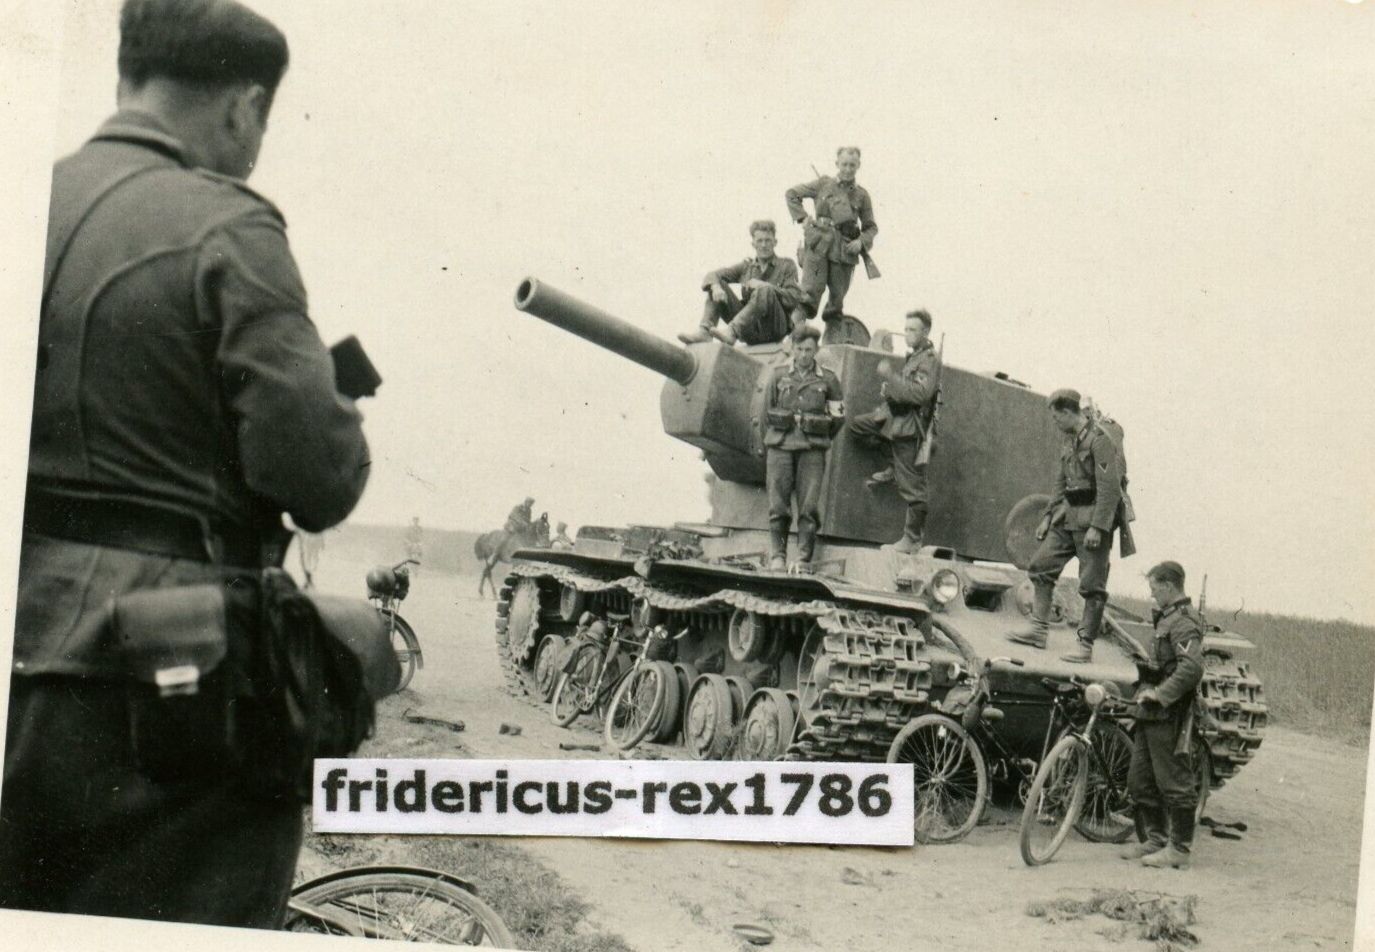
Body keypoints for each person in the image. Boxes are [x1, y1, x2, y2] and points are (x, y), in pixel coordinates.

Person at [0, 0, 369, 929]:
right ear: (245, 108)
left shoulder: (28, 198)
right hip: (166, 677)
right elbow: (317, 480)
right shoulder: (226, 226)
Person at [1008, 388, 1127, 663]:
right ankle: (1038, 630)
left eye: (1056, 417)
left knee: (1092, 586)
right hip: (1068, 517)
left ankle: (1084, 646)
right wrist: (1048, 517)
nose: (1055, 422)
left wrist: (1098, 527)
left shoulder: (1099, 440)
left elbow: (1109, 488)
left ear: (1067, 412)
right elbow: (1061, 483)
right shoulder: (1069, 441)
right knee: (1040, 566)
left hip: (1092, 521)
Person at [1121, 561, 1205, 870]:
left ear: (1169, 586)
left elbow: (1191, 668)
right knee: (1140, 780)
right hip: (1152, 712)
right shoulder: (1168, 617)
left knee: (1174, 782)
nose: (1152, 594)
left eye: (1154, 588)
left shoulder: (1183, 621)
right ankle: (1156, 838)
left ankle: (1179, 848)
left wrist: (1160, 693)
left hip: (1171, 713)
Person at [848, 310, 940, 554]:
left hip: (909, 426)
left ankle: (912, 539)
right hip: (893, 418)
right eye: (906, 329)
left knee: (914, 488)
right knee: (858, 426)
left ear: (925, 332)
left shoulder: (929, 359)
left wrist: (891, 376)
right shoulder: (915, 357)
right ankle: (893, 466)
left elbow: (920, 394)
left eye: (913, 330)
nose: (907, 334)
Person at [761, 325, 843, 570]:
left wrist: (818, 436)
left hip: (811, 449)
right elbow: (766, 412)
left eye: (808, 350)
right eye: (799, 349)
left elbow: (838, 417)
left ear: (816, 349)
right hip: (780, 447)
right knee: (778, 505)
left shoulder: (828, 379)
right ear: (792, 348)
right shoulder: (778, 375)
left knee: (808, 507)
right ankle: (778, 555)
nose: (804, 355)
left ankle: (803, 558)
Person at [784, 146, 878, 328]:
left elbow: (871, 227)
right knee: (807, 297)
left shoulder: (862, 195)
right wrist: (803, 218)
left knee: (836, 304)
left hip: (844, 252)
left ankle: (832, 339)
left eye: (852, 165)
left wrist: (860, 242)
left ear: (858, 165)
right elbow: (792, 194)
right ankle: (794, 338)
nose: (848, 169)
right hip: (818, 247)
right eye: (844, 164)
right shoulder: (823, 184)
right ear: (837, 164)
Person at [678, 219, 803, 346]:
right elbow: (712, 275)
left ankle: (732, 331)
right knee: (716, 283)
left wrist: (766, 287)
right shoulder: (746, 267)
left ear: (775, 242)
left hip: (775, 328)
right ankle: (705, 332)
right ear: (753, 244)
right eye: (759, 241)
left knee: (765, 289)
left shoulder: (787, 265)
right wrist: (716, 287)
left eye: (768, 240)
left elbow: (794, 298)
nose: (764, 245)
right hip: (749, 329)